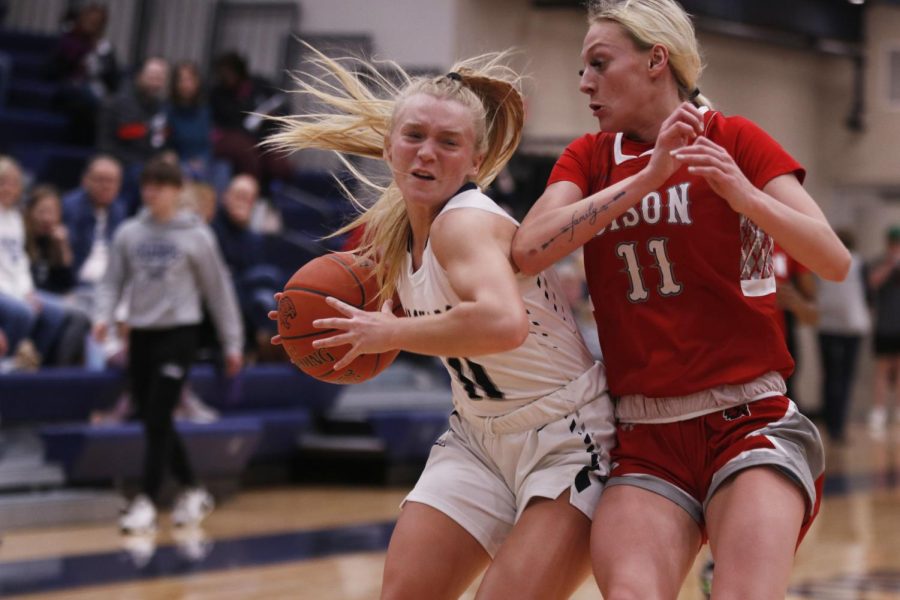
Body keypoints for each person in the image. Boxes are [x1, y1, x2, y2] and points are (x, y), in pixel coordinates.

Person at [509, 1, 851, 598]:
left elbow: (833, 259)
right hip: (645, 436)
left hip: (748, 422)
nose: (584, 81)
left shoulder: (735, 138)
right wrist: (644, 178)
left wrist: (745, 195)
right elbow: (529, 249)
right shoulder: (590, 158)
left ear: (655, 61)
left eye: (599, 63)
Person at [266, 48, 615, 599]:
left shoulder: (464, 223)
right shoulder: (396, 231)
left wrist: (391, 335)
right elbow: (359, 302)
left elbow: (504, 324)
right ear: (389, 145)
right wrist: (306, 321)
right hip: (478, 436)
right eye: (414, 136)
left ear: (474, 161)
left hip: (568, 439)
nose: (427, 152)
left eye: (448, 142)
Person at [93, 158, 244, 534]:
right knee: (152, 418)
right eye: (146, 185)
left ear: (177, 191)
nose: (151, 192)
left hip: (179, 334)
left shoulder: (197, 236)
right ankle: (193, 489)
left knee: (159, 415)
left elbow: (218, 290)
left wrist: (232, 342)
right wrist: (102, 315)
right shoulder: (130, 232)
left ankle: (145, 500)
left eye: (159, 186)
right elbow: (111, 281)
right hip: (141, 333)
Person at [817, 229, 871, 442]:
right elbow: (868, 294)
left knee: (830, 377)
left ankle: (830, 423)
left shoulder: (820, 260)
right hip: (852, 326)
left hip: (827, 325)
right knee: (845, 378)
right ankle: (838, 427)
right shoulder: (858, 263)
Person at [98, 56, 170, 214]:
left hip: (148, 164)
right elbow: (109, 143)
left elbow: (159, 141)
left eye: (160, 78)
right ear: (139, 76)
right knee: (140, 174)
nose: (156, 82)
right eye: (152, 76)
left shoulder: (161, 108)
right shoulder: (120, 102)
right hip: (120, 161)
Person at [47, 2, 121, 145]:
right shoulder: (68, 42)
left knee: (114, 103)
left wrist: (102, 60)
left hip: (99, 91)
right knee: (89, 97)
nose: (92, 24)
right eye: (90, 20)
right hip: (72, 88)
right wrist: (76, 60)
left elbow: (114, 81)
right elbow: (50, 71)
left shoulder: (105, 48)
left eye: (97, 22)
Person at [867, 225, 900, 436]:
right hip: (884, 325)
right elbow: (873, 282)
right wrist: (890, 265)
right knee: (882, 369)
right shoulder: (880, 263)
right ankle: (878, 411)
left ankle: (897, 410)